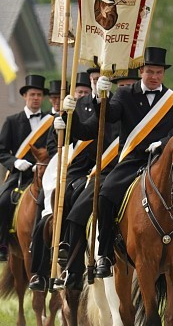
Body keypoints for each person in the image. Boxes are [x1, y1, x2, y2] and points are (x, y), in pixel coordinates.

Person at [63, 47, 173, 281]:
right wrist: (102, 98)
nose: (154, 77)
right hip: (132, 160)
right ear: (141, 71)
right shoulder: (125, 94)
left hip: (163, 160)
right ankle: (106, 253)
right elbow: (109, 116)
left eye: (159, 72)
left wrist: (161, 143)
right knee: (105, 195)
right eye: (150, 71)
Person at [51, 67, 137, 289]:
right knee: (77, 213)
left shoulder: (150, 109)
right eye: (122, 86)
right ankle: (74, 270)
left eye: (130, 85)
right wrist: (67, 117)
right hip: (109, 172)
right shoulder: (109, 111)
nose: (126, 89)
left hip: (141, 166)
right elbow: (85, 131)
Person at [27, 69, 97, 292]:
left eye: (88, 87)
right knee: (45, 201)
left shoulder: (108, 105)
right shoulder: (67, 111)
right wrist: (61, 133)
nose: (84, 92)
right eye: (81, 90)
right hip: (67, 164)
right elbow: (50, 148)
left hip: (97, 165)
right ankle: (40, 269)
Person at [0, 74, 57, 263]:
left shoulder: (50, 121)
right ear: (25, 97)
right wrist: (15, 162)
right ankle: (2, 245)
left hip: (44, 173)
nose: (36, 98)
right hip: (20, 174)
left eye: (39, 95)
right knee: (3, 201)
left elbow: (55, 148)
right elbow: (1, 151)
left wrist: (45, 163)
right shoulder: (12, 121)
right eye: (32, 94)